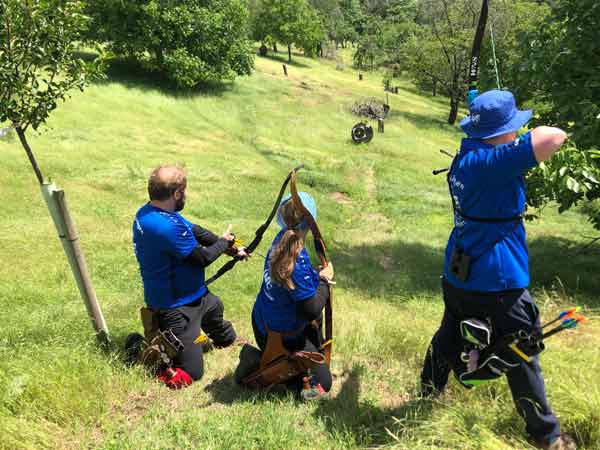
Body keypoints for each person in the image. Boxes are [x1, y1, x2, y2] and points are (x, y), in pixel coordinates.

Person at [420, 90, 576, 450]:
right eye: (513, 127)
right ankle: (547, 436)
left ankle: (429, 390)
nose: (518, 131)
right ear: (500, 132)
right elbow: (554, 136)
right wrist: (517, 141)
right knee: (522, 352)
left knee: (449, 333)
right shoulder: (493, 162)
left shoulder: (468, 154)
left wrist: (500, 131)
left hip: (459, 271)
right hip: (496, 278)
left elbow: (502, 142)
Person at [131, 164, 247, 386]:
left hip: (195, 295)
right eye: (184, 191)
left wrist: (233, 247)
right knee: (192, 372)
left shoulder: (154, 212)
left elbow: (197, 231)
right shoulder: (165, 227)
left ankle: (224, 338)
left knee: (214, 306)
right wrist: (224, 242)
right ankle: (140, 346)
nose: (186, 195)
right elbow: (201, 258)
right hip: (175, 307)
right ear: (175, 194)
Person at [249, 192, 334, 398]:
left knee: (314, 327)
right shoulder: (297, 258)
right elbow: (310, 309)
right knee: (324, 384)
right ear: (310, 223)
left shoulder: (281, 239)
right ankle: (278, 370)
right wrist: (324, 279)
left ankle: (284, 361)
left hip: (262, 324)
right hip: (282, 338)